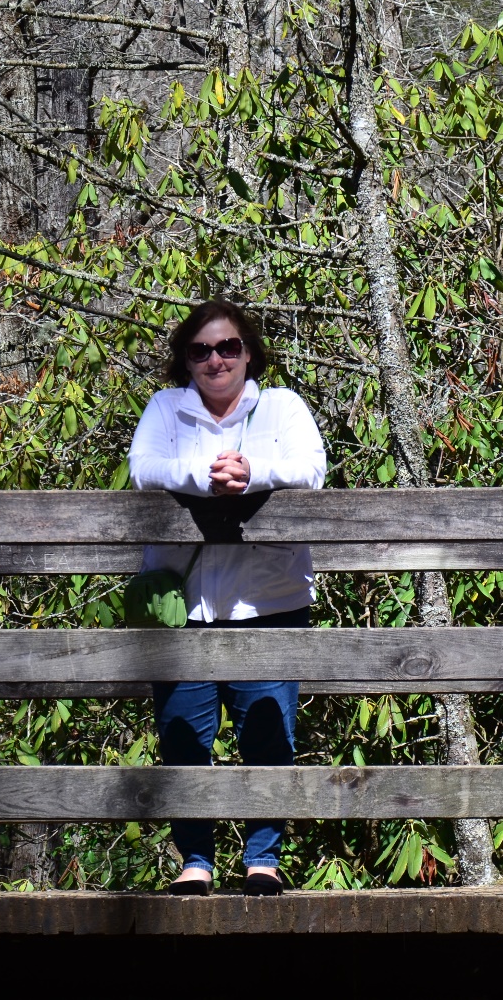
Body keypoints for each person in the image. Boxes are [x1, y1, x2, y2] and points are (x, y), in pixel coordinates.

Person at [128, 300, 326, 896]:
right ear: (185, 360)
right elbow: (145, 469)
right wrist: (209, 477)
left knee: (269, 732)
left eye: (229, 347)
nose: (216, 360)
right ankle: (195, 861)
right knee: (184, 735)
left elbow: (311, 469)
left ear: (249, 352)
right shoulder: (166, 409)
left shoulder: (283, 407)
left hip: (270, 602)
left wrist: (253, 471)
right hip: (184, 606)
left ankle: (262, 857)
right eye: (201, 350)